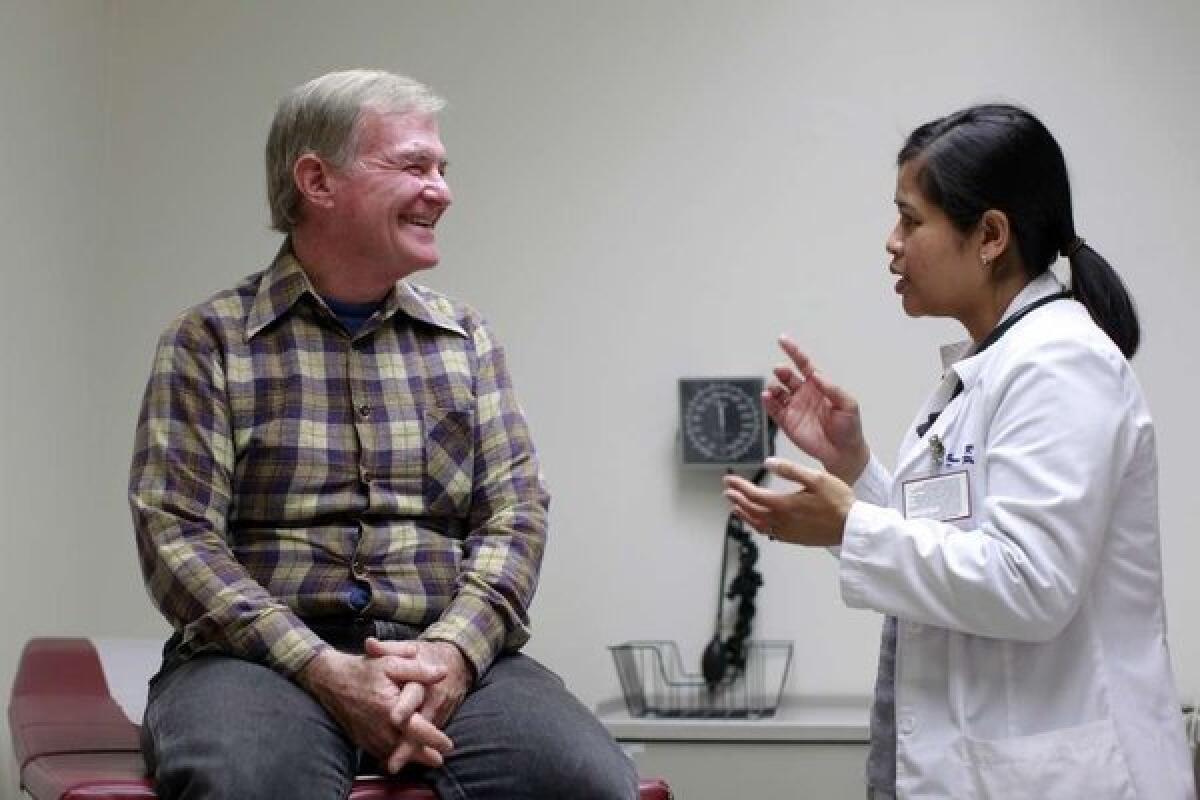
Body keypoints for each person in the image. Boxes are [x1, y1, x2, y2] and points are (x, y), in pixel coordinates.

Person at [129, 69, 637, 800]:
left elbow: (515, 516)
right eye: (413, 165)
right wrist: (322, 667)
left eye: (442, 168)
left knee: (586, 782)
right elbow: (177, 538)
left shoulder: (467, 340)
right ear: (317, 180)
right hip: (257, 661)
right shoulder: (208, 341)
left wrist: (451, 654)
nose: (442, 189)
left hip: (446, 652)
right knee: (252, 782)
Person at [723, 104, 1195, 799]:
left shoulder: (1061, 363)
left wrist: (851, 523)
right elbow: (951, 550)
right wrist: (855, 470)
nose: (891, 243)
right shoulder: (991, 367)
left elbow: (1030, 584)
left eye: (911, 220)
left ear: (991, 235)